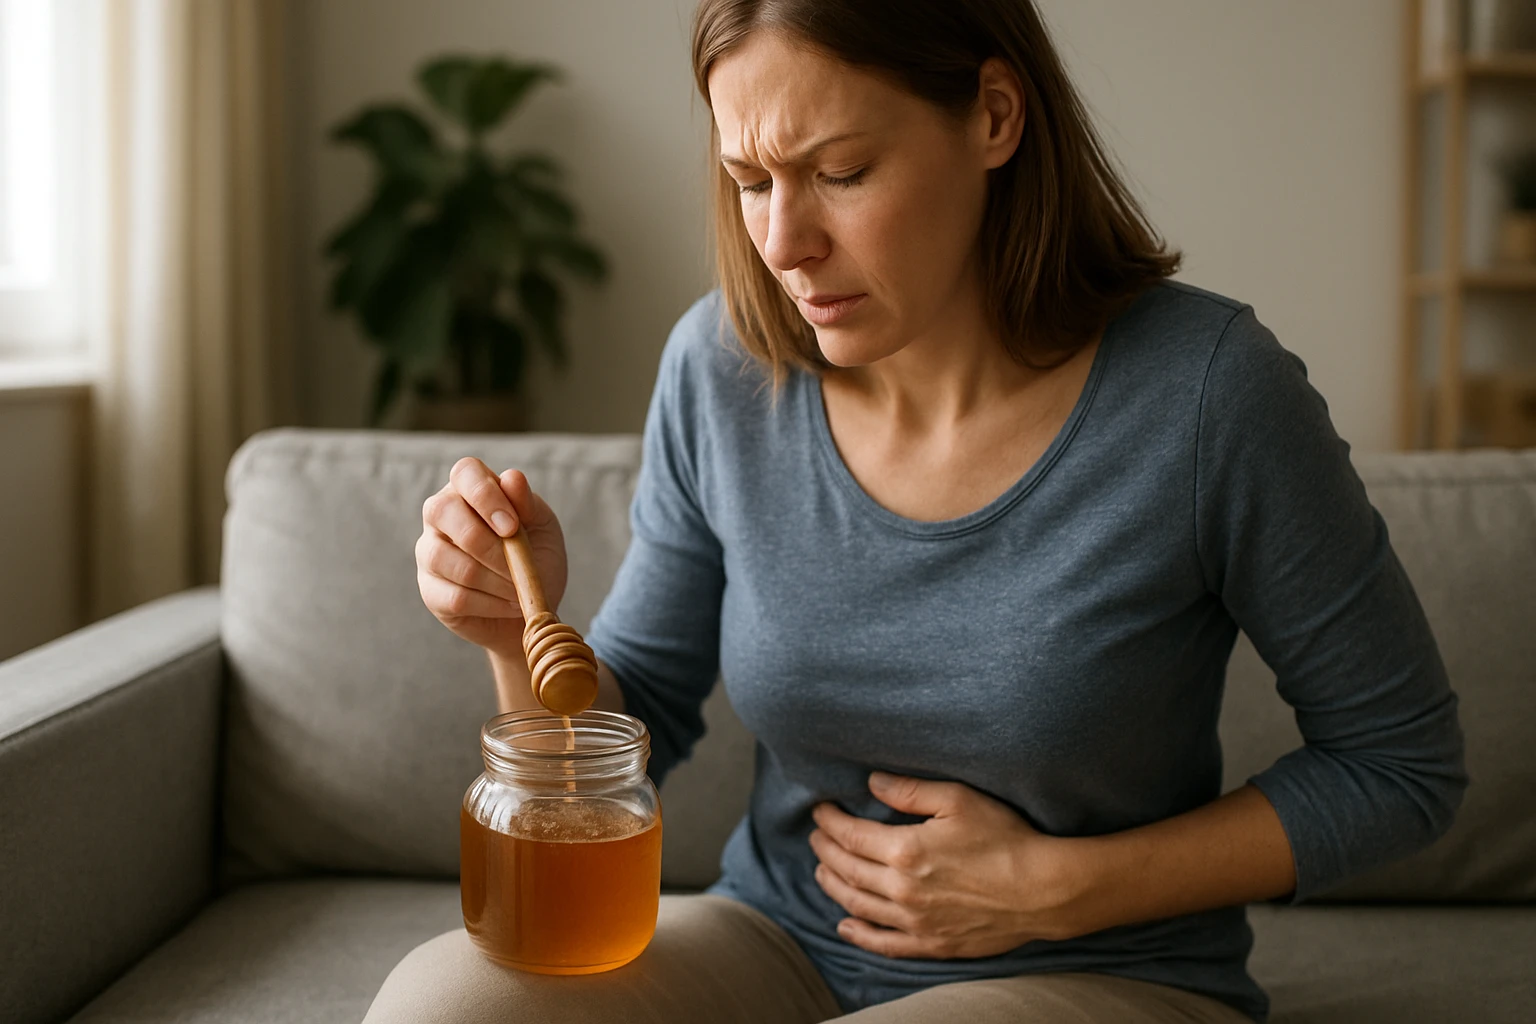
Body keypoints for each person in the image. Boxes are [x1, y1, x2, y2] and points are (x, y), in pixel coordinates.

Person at [373, 1, 1467, 1021]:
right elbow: (631, 724)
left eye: (838, 171)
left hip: (1096, 969)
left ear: (995, 115)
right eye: (750, 180)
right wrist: (516, 632)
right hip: (782, 942)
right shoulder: (719, 369)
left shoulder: (1209, 395)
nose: (784, 242)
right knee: (446, 1004)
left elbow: (1403, 765)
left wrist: (1059, 889)